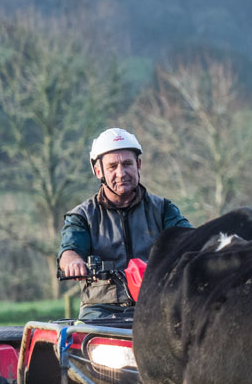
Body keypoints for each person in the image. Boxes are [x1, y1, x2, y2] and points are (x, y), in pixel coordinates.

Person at [58, 128, 192, 314]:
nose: (121, 173)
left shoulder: (163, 209)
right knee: (84, 339)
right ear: (98, 171)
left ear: (138, 165)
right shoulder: (82, 216)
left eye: (127, 164)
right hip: (101, 308)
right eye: (112, 167)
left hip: (156, 305)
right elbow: (69, 251)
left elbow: (189, 239)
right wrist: (73, 263)